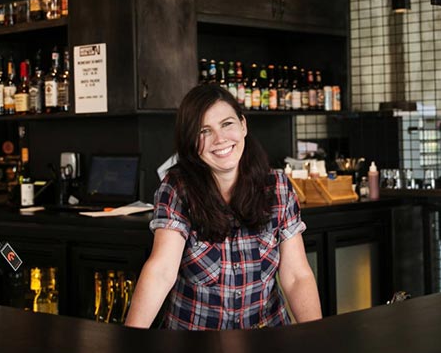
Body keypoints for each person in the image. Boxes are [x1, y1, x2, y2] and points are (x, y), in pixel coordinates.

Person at [124, 84, 322, 330]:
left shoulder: (277, 186)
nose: (220, 139)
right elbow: (162, 271)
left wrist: (317, 338)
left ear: (243, 125)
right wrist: (130, 345)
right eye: (204, 131)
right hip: (194, 347)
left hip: (267, 341)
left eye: (227, 124)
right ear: (190, 142)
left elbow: (296, 276)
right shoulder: (177, 188)